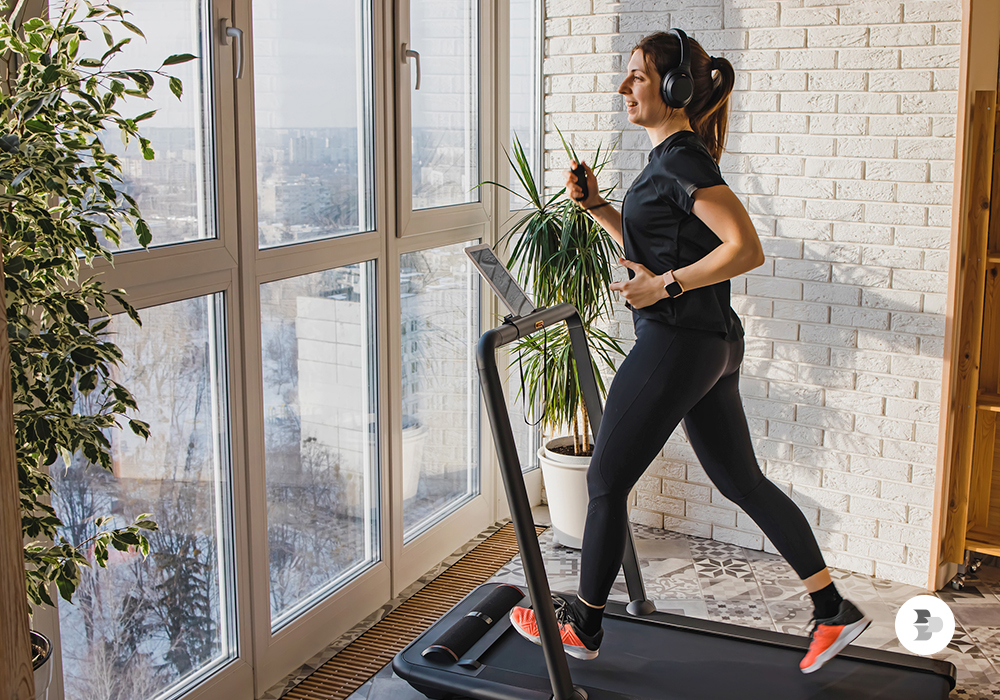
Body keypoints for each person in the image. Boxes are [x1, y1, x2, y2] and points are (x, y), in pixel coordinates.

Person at [509, 28, 871, 674]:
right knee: (741, 482)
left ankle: (584, 627)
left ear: (673, 89)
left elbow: (744, 247)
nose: (625, 88)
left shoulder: (682, 160)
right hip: (710, 346)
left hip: (678, 341)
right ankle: (832, 608)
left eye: (638, 77)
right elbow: (661, 242)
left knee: (603, 480)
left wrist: (666, 286)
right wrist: (596, 208)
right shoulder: (666, 163)